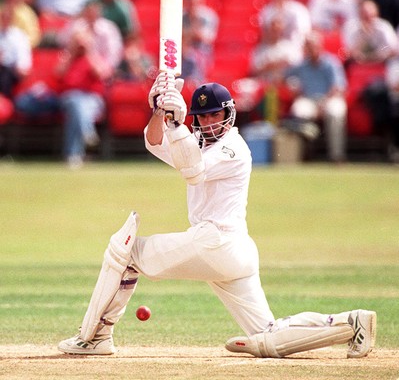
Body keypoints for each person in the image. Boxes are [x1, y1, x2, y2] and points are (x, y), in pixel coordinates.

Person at [57, 71, 376, 359]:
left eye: (216, 115)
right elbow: (154, 143)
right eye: (203, 117)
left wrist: (175, 124)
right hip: (231, 250)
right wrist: (159, 113)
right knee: (268, 335)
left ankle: (95, 337)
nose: (210, 122)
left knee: (125, 253)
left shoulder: (233, 148)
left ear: (229, 113)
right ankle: (352, 323)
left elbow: (193, 171)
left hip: (216, 241)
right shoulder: (195, 141)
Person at [56, 0, 123, 168]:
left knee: (79, 108)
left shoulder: (94, 57)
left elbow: (103, 73)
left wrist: (90, 50)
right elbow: (58, 73)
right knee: (76, 102)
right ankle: (87, 131)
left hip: (93, 98)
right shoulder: (69, 57)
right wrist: (72, 50)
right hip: (69, 97)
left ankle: (73, 156)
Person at [284, 32, 348, 163]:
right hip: (309, 100)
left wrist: (323, 104)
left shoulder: (331, 63)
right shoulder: (301, 65)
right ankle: (303, 155)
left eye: (312, 46)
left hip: (329, 99)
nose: (310, 49)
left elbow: (338, 87)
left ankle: (336, 156)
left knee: (335, 112)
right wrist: (292, 85)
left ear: (319, 46)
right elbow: (284, 76)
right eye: (307, 47)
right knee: (299, 110)